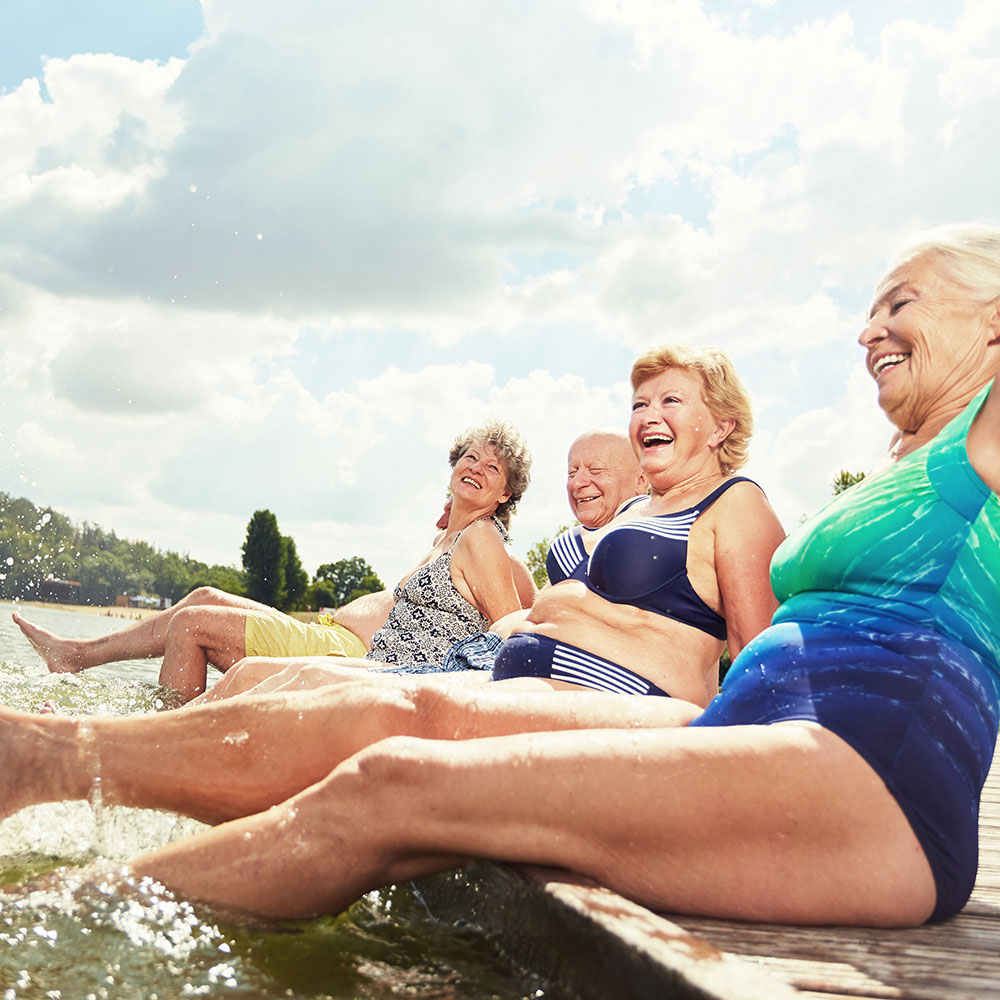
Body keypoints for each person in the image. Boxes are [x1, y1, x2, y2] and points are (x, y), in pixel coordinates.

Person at [2, 226, 998, 928]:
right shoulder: (914, 459)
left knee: (393, 788)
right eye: (867, 311)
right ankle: (41, 755)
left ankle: (46, 923)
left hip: (876, 771)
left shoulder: (981, 445)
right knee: (395, 727)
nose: (867, 329)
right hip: (760, 725)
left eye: (899, 303)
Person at [201, 344, 784, 708]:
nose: (648, 415)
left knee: (302, 697)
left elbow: (760, 663)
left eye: (671, 402)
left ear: (720, 427)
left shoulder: (736, 505)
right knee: (255, 677)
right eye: (638, 404)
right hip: (497, 665)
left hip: (572, 696)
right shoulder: (638, 513)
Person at [12, 419, 534, 701]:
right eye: (470, 457)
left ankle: (160, 737)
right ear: (452, 467)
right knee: (202, 599)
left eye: (493, 467)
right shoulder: (452, 536)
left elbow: (511, 620)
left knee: (193, 623)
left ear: (507, 493)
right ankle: (81, 659)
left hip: (359, 661)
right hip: (350, 646)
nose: (477, 467)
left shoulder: (482, 539)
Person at [545, 429, 648, 585]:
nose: (577, 483)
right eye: (572, 473)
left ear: (640, 481)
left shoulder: (672, 526)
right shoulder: (565, 550)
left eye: (596, 470)